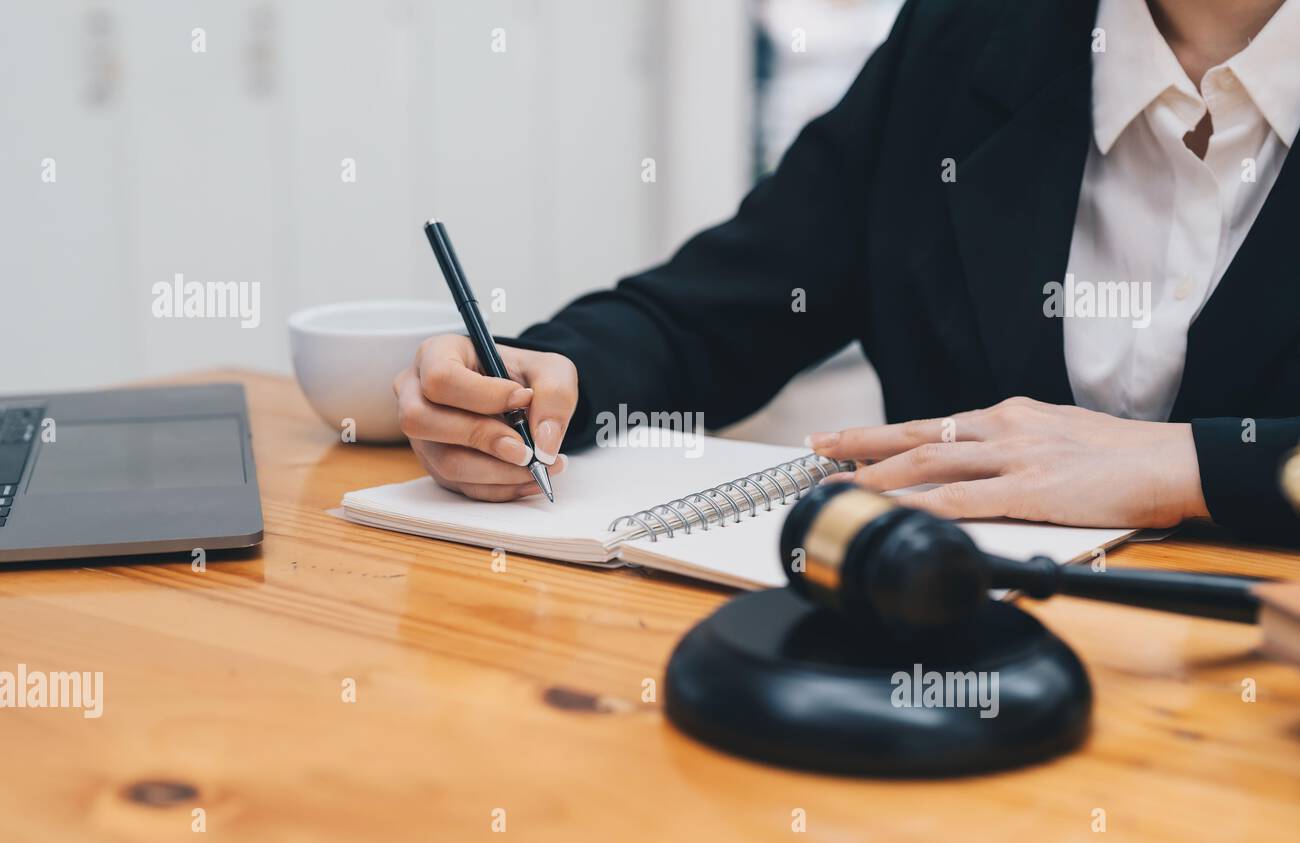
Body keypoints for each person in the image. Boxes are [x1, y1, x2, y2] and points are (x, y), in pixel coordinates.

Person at [393, 0, 1300, 540]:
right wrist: (550, 375)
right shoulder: (967, 37)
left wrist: (1189, 467)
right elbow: (721, 309)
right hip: (935, 667)